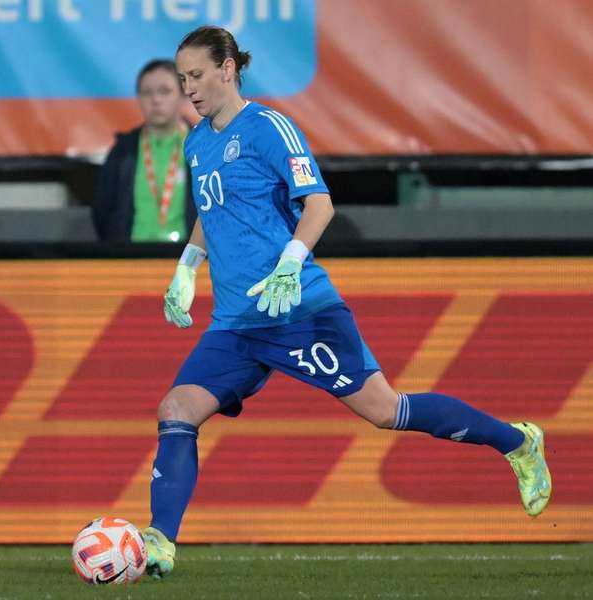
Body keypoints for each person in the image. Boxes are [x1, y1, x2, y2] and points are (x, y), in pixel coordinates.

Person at [142, 25, 552, 580]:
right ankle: (161, 541)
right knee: (177, 410)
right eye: (182, 77)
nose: (187, 87)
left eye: (195, 76)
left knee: (386, 411)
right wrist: (187, 268)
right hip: (237, 321)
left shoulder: (267, 127)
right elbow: (211, 217)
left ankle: (518, 442)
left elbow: (319, 205)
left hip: (299, 309)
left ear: (228, 70)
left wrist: (290, 263)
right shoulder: (198, 141)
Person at [92, 59, 197, 243]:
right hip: (132, 260)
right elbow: (102, 209)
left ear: (183, 95)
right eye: (147, 93)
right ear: (138, 99)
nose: (156, 100)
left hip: (189, 259)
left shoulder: (201, 147)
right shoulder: (123, 151)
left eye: (165, 91)